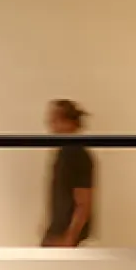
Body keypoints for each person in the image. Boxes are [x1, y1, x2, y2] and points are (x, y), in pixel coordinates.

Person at [41, 99, 95, 246]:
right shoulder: (65, 154)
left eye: (55, 120)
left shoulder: (76, 155)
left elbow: (83, 203)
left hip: (64, 237)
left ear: (69, 122)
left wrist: (69, 238)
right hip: (57, 234)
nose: (51, 125)